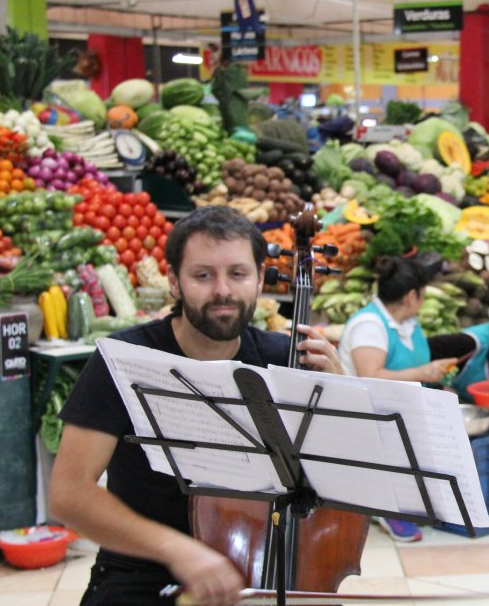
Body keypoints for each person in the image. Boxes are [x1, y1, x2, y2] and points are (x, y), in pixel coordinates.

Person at [49, 205, 344, 606]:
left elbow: (341, 483)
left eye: (237, 274)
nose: (222, 290)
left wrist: (339, 395)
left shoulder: (289, 359)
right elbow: (69, 493)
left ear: (260, 279)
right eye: (203, 275)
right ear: (174, 281)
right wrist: (178, 550)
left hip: (267, 570)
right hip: (145, 569)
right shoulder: (123, 358)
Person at [337, 255, 457, 541]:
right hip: (364, 415)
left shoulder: (409, 323)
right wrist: (423, 372)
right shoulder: (370, 325)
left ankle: (412, 497)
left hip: (402, 410)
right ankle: (384, 504)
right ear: (412, 296)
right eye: (423, 293)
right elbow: (370, 375)